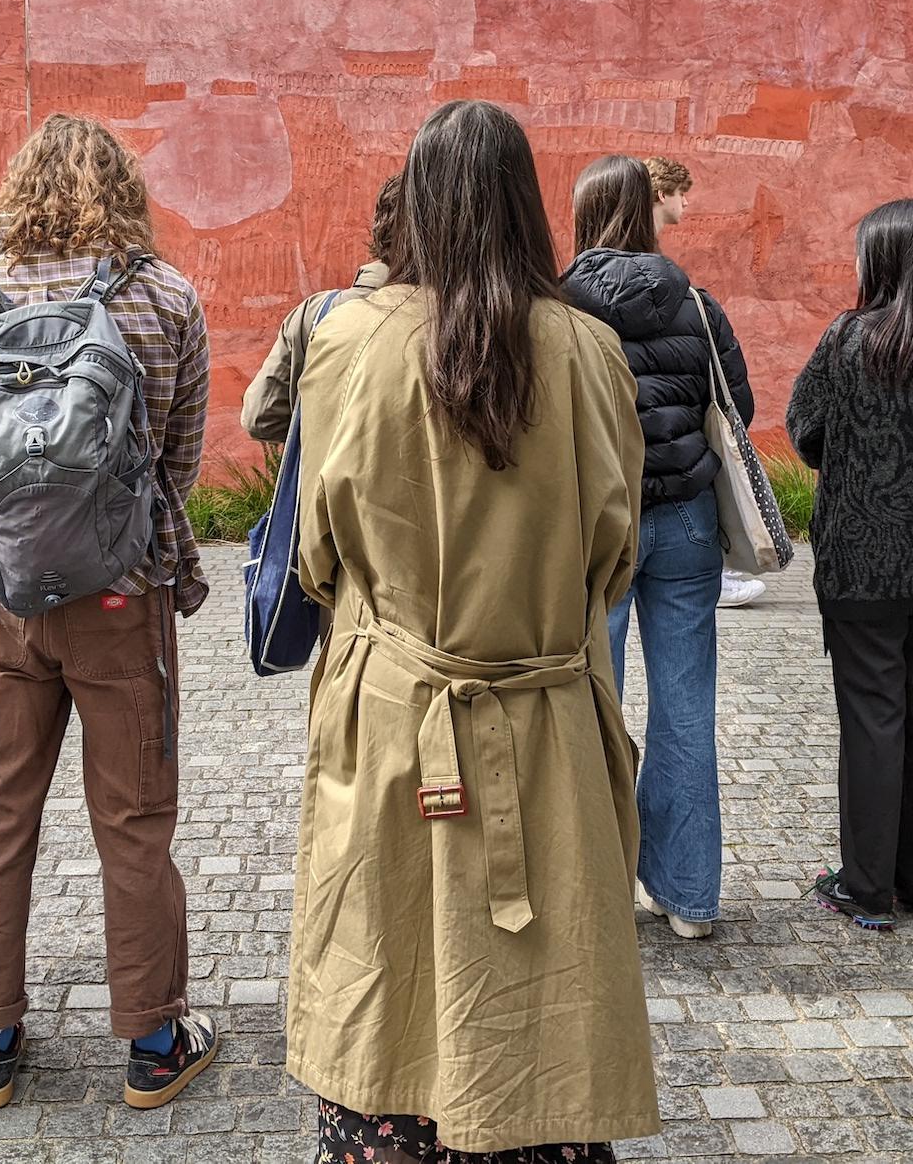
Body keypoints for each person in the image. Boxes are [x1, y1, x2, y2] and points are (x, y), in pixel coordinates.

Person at [287, 101, 660, 1160]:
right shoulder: (588, 348)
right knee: (543, 1002)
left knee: (386, 982)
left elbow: (319, 553)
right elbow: (614, 549)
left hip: (395, 714)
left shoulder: (352, 342)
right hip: (546, 720)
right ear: (524, 200)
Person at [0, 114, 219, 1114]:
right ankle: (148, 1040)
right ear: (122, 189)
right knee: (132, 819)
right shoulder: (163, 296)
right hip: (119, 593)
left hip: (1, 595)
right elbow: (179, 456)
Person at [787, 199, 913, 933]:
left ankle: (868, 888)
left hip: (864, 561)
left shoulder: (850, 339)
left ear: (882, 260)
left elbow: (805, 432)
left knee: (874, 715)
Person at [563, 153, 752, 940]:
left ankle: (596, 888)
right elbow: (734, 404)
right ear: (645, 214)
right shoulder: (697, 305)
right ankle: (688, 899)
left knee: (584, 706)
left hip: (592, 523)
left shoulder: (559, 307)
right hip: (684, 519)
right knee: (687, 707)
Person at [643, 154, 764, 610]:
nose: (687, 202)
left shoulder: (583, 288)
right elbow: (736, 400)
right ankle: (719, 564)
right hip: (680, 486)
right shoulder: (683, 292)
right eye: (681, 193)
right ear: (661, 195)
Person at [240, 172, 400, 443]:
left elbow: (260, 416)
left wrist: (319, 430)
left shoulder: (314, 314)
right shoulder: (444, 319)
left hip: (318, 480)